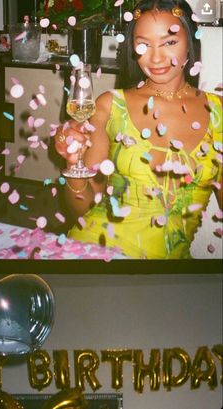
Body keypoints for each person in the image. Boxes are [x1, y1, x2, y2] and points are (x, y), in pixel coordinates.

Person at [54, 0, 222, 259]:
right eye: (144, 44)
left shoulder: (218, 111)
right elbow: (83, 210)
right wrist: (73, 164)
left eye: (169, 42)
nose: (155, 58)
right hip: (92, 250)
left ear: (190, 42)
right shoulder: (110, 105)